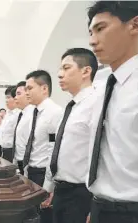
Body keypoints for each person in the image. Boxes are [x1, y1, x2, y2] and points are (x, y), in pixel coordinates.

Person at [86, 2, 138, 223]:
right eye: (90, 32)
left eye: (101, 28)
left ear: (134, 25)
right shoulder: (104, 86)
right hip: (101, 206)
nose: (92, 41)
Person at [41, 48, 98, 223]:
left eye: (66, 68)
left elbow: (101, 155)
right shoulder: (71, 107)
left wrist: (96, 205)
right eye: (60, 69)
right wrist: (50, 186)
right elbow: (58, 147)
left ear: (86, 71)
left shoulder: (96, 103)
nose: (59, 74)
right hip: (61, 190)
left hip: (81, 194)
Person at [24, 70, 63, 223]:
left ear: (44, 88)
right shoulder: (35, 112)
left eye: (30, 88)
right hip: (32, 172)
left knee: (44, 217)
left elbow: (53, 150)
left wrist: (48, 185)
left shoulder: (54, 113)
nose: (27, 92)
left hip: (43, 174)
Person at [13, 81, 35, 175]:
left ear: (27, 94)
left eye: (18, 94)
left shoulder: (33, 114)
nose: (15, 97)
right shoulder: (22, 114)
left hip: (28, 163)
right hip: (20, 161)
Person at [1, 85, 19, 162]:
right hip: (5, 149)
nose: (6, 100)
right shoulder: (7, 113)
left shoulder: (18, 114)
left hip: (13, 151)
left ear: (15, 98)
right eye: (6, 98)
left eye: (8, 97)